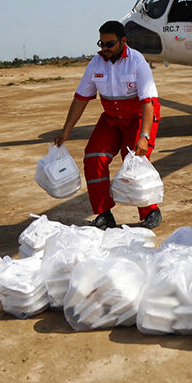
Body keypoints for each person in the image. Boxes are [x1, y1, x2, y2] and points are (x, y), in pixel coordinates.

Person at [54, 21, 162, 229]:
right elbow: (81, 98)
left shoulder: (137, 61)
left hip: (140, 115)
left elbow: (148, 103)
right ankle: (104, 213)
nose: (104, 49)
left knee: (134, 159)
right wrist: (66, 131)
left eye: (110, 44)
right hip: (112, 117)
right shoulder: (96, 63)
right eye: (101, 44)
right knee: (94, 157)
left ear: (123, 41)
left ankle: (151, 211)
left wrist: (144, 136)